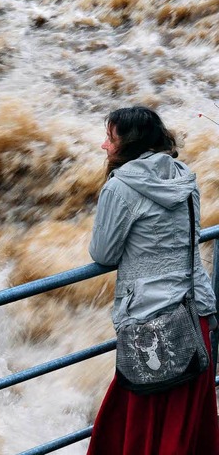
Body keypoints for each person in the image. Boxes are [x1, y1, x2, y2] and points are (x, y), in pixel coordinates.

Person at [87, 106, 219, 454]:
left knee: (143, 421)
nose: (103, 146)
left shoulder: (120, 186)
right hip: (195, 314)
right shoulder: (184, 176)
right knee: (182, 424)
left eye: (110, 139)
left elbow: (103, 254)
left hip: (151, 325)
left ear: (128, 144)